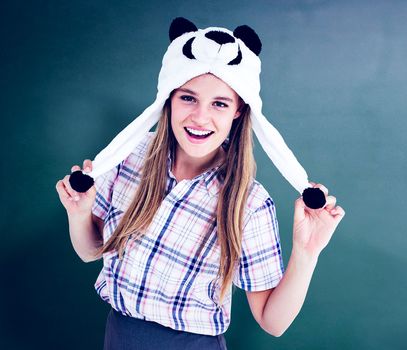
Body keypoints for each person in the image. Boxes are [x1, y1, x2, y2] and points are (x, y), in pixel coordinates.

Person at [54, 17, 345, 349]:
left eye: (219, 103)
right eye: (188, 98)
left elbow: (272, 322)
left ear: (238, 111)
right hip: (119, 337)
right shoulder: (130, 157)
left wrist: (307, 253)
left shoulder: (248, 203)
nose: (200, 117)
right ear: (169, 98)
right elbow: (91, 252)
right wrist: (79, 215)